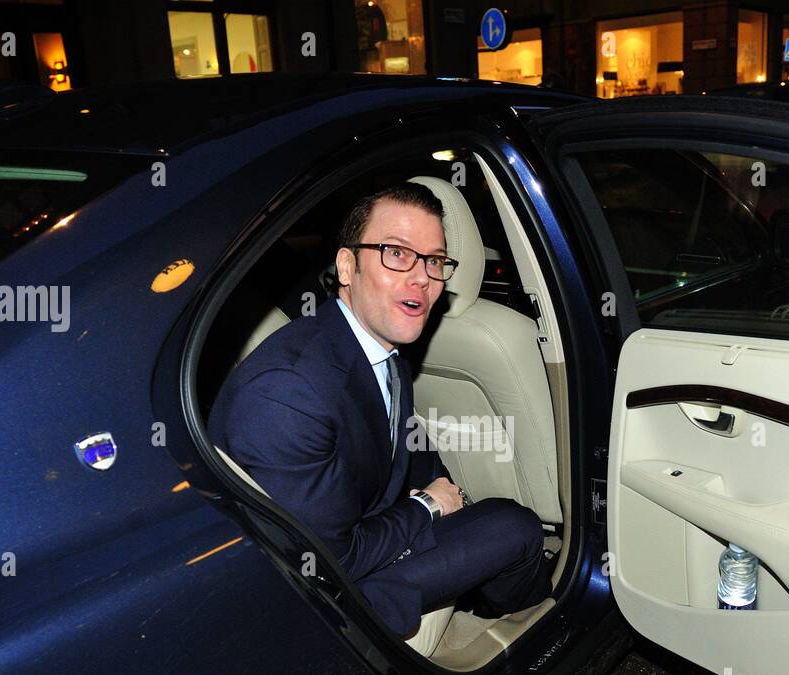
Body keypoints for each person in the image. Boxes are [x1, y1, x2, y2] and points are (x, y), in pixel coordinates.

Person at [210, 183, 550, 637]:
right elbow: (335, 561)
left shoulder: (375, 343)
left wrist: (445, 491)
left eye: (434, 260)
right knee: (518, 528)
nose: (422, 277)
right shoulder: (289, 391)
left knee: (498, 520)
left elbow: (402, 435)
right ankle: (525, 629)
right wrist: (428, 507)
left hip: (363, 529)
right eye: (396, 253)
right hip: (321, 597)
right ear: (347, 266)